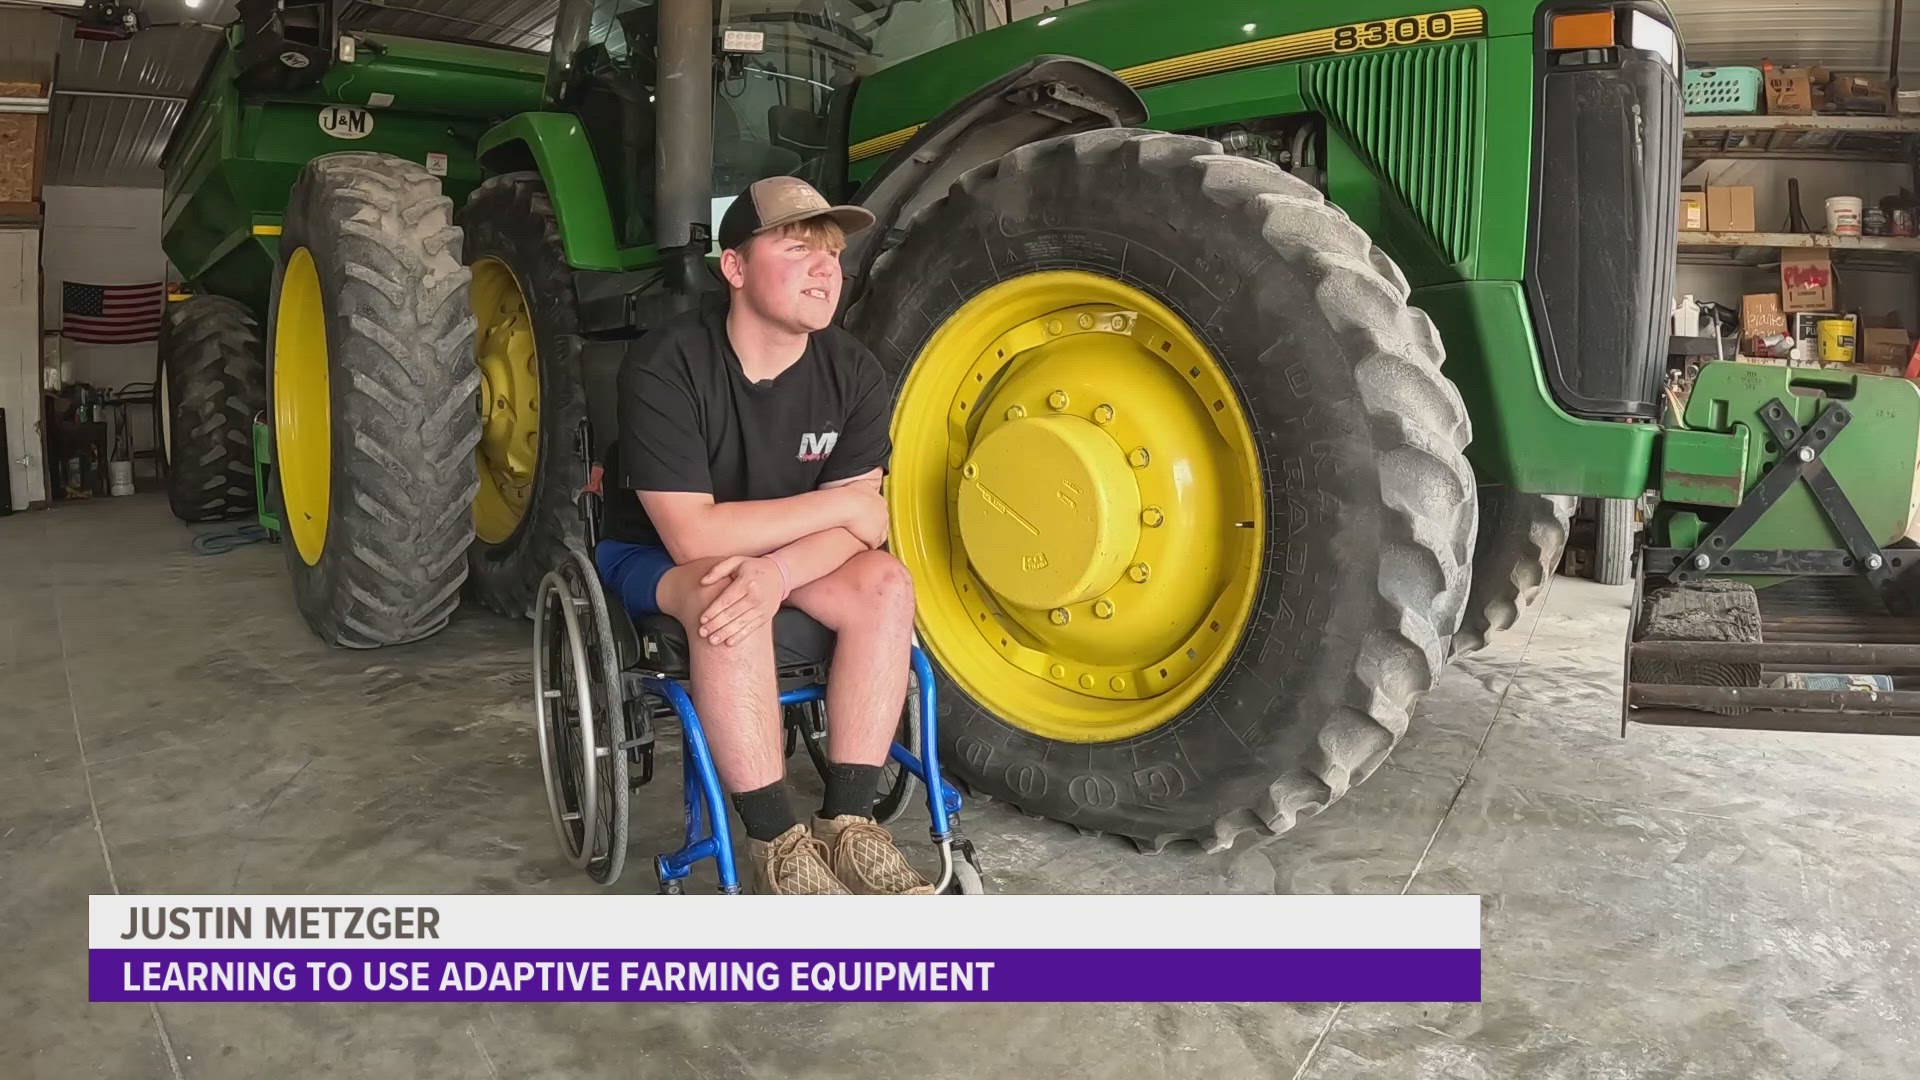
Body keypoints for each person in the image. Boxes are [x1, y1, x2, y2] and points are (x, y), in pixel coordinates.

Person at [596, 176, 930, 895]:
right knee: (725, 590)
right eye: (797, 246)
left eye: (833, 253)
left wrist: (779, 569)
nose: (824, 268)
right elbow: (693, 537)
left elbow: (863, 533)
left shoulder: (855, 372)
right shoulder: (667, 363)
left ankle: (849, 824)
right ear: (735, 268)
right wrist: (837, 512)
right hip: (655, 556)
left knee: (885, 581)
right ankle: (775, 838)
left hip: (785, 560)